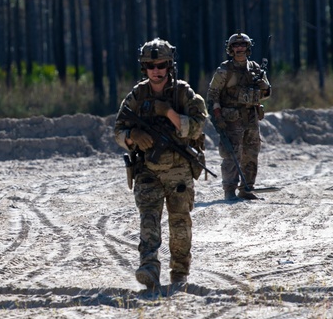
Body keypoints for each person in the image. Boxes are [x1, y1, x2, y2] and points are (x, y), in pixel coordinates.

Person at [115, 38, 208, 291]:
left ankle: (179, 272)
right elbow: (118, 130)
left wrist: (168, 113)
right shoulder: (137, 95)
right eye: (150, 65)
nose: (156, 70)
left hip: (178, 171)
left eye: (161, 65)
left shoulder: (184, 93)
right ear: (143, 68)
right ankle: (149, 268)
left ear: (169, 66)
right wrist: (133, 136)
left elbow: (198, 126)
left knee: (180, 224)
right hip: (147, 171)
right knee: (148, 221)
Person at [206, 32, 272, 200]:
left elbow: (266, 93)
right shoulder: (224, 70)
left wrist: (260, 85)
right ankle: (229, 190)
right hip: (231, 119)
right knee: (232, 154)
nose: (240, 48)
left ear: (248, 47)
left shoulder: (256, 68)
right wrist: (217, 117)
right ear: (231, 49)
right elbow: (213, 95)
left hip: (251, 117)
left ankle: (247, 188)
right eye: (236, 46)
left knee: (251, 152)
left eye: (243, 45)